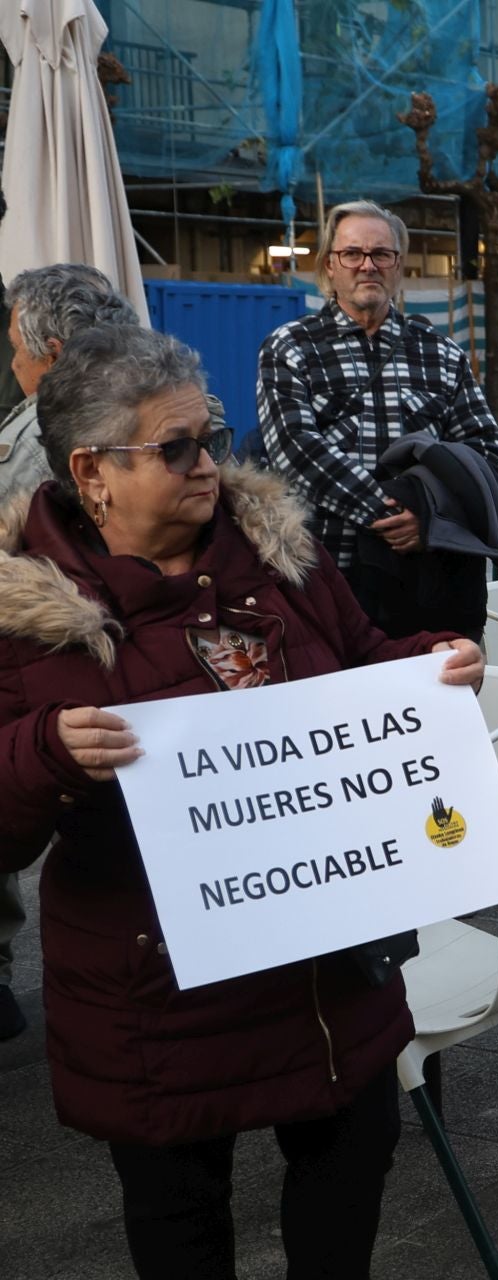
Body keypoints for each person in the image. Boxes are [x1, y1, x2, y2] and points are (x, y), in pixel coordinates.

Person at [0, 324, 484, 1277]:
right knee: (181, 1216)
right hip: (158, 991)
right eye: (174, 449)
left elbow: (358, 658)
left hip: (327, 965)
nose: (207, 467)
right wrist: (45, 752)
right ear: (91, 471)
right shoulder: (24, 612)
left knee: (349, 1172)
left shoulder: (282, 556)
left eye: (210, 438)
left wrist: (427, 666)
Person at [0, 264, 145, 1043]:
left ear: (48, 350)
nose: (12, 364)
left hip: (57, 669)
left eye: (16, 348)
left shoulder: (50, 429)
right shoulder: (168, 401)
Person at [258, 199, 498, 638]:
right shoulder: (290, 347)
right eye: (352, 254)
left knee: (440, 701)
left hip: (432, 581)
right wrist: (388, 515)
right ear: (330, 266)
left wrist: (427, 517)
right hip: (327, 574)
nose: (367, 265)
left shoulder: (442, 353)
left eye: (381, 254)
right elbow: (295, 450)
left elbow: (488, 452)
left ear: (398, 266)